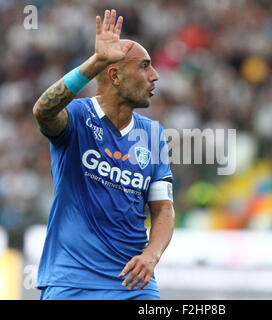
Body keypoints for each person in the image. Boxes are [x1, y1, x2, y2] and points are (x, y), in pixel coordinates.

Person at [32, 9, 175, 300]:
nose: (155, 75)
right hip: (72, 281)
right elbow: (42, 111)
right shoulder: (76, 116)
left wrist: (151, 255)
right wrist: (95, 60)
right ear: (115, 76)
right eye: (145, 66)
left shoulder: (153, 135)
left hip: (133, 284)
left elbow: (163, 209)